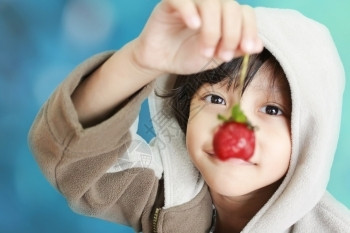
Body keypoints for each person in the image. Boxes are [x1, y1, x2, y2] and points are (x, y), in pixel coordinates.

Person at [28, 0, 350, 232]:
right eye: (215, 97)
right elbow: (73, 164)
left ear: (308, 133)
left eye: (271, 109)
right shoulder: (163, 191)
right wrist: (140, 63)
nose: (235, 126)